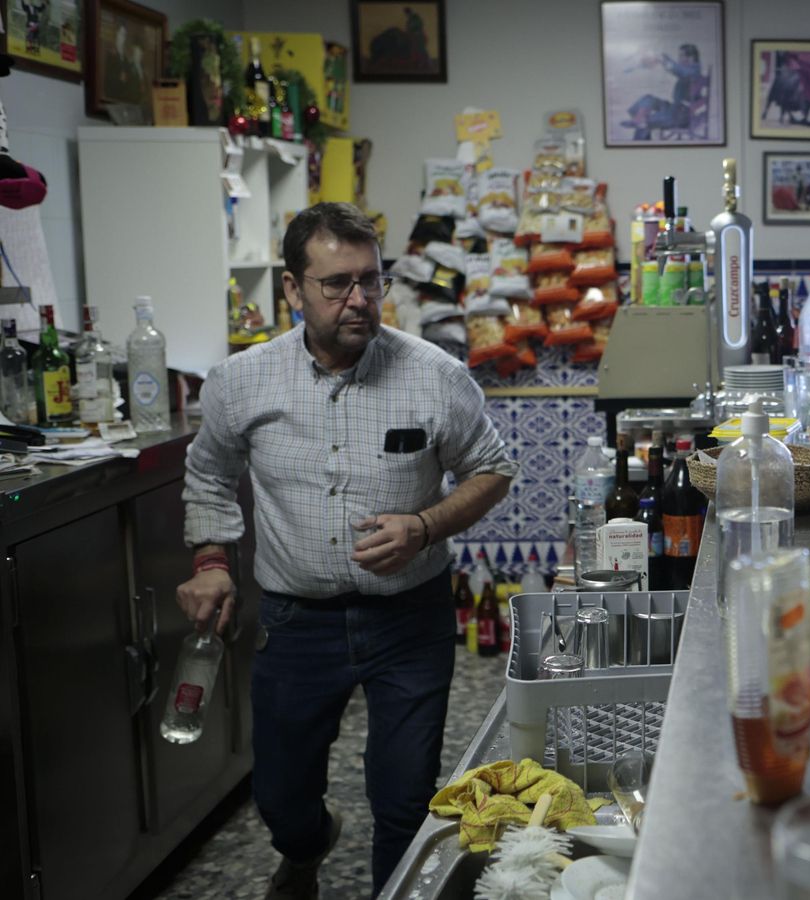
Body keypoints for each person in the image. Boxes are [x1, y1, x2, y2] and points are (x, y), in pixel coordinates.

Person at [178, 202, 517, 899]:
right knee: (281, 798)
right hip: (296, 622)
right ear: (293, 288)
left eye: (371, 280)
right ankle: (305, 848)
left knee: (404, 798)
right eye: (337, 283)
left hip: (409, 619)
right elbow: (208, 473)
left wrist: (424, 525)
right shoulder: (242, 381)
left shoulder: (433, 375)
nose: (359, 299)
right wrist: (211, 562)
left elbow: (492, 469)